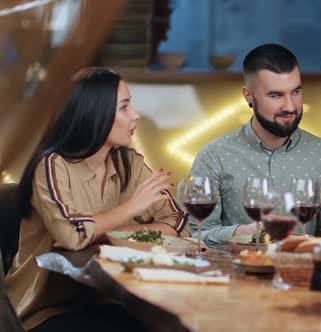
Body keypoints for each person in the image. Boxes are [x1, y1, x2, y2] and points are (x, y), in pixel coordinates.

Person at [7, 67, 189, 331]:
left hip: (103, 300)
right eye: (124, 108)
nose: (135, 116)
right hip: (42, 310)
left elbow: (177, 222)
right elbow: (71, 235)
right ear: (94, 113)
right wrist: (131, 208)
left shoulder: (129, 162)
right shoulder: (51, 165)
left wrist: (113, 232)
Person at [180, 44, 321, 244]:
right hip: (233, 272)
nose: (290, 106)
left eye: (295, 92)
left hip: (300, 272)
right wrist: (243, 232)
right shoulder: (214, 156)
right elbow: (196, 236)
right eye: (275, 95)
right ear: (248, 96)